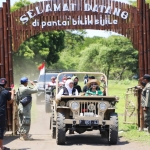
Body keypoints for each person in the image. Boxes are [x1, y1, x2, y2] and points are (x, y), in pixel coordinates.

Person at [0, 78, 15, 150]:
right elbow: (10, 101)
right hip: (1, 112)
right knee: (0, 129)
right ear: (5, 85)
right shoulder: (5, 92)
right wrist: (12, 93)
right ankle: (1, 147)